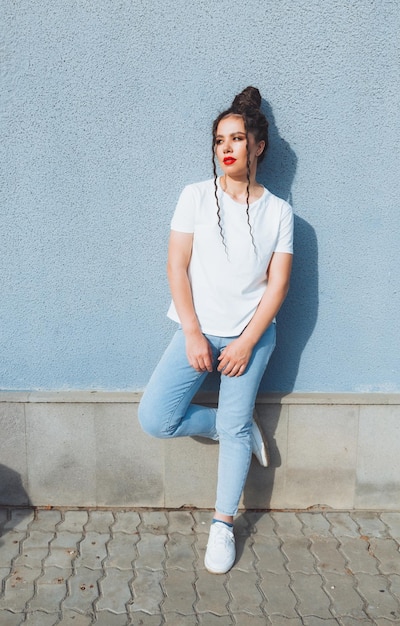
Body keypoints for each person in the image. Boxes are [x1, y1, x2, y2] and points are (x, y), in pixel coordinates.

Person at [138, 86, 293, 574]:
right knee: (156, 418)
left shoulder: (280, 213)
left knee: (229, 424)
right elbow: (175, 266)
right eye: (219, 139)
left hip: (252, 337)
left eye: (237, 138)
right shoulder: (194, 197)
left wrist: (247, 342)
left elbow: (278, 286)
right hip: (197, 332)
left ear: (258, 146)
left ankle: (223, 524)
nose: (226, 148)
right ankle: (237, 429)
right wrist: (191, 332)